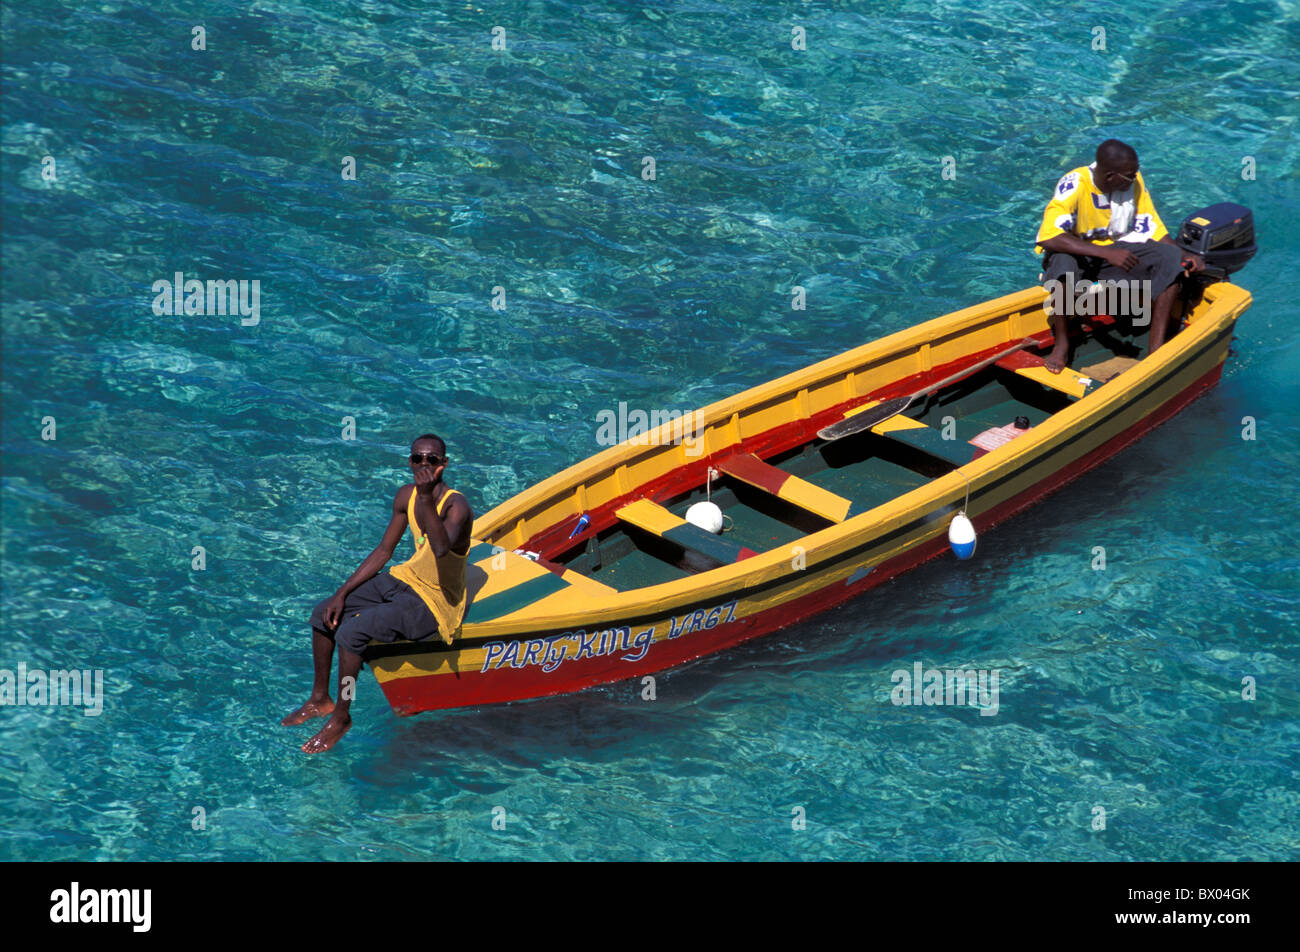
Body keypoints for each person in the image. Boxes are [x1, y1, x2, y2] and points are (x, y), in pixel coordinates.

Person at [282, 434, 473, 753]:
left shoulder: (457, 505)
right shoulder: (406, 496)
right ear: (409, 461)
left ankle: (342, 716)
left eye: (432, 460)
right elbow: (385, 550)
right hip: (405, 579)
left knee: (353, 632)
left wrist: (427, 497)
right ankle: (320, 699)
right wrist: (342, 592)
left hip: (436, 602)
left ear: (444, 464)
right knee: (323, 613)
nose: (423, 465)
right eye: (417, 459)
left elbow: (440, 549)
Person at [1035, 139, 1204, 373]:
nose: (1135, 178)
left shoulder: (1133, 182)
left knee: (1170, 259)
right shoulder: (1074, 185)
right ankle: (1063, 344)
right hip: (1082, 255)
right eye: (1129, 176)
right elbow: (1048, 237)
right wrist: (1105, 252)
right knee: (1063, 265)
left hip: (1114, 252)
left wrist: (1182, 253)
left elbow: (1151, 225)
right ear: (1109, 176)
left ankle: (1155, 348)